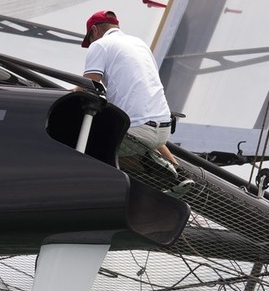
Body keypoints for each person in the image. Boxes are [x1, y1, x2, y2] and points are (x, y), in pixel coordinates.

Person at [81, 10, 192, 194]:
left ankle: (151, 166)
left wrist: (64, 92)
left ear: (94, 31)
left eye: (90, 39)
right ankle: (179, 172)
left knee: (91, 148)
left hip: (138, 132)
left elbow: (89, 85)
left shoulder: (100, 45)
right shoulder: (139, 43)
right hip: (162, 130)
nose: (91, 43)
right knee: (142, 123)